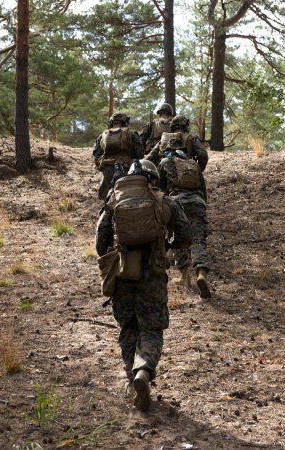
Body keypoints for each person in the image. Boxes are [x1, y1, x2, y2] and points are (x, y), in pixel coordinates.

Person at [96, 159, 191, 412]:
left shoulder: (114, 200)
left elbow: (99, 240)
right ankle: (144, 370)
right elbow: (186, 234)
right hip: (154, 274)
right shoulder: (163, 200)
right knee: (151, 328)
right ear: (154, 178)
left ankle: (131, 380)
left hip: (124, 272)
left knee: (128, 327)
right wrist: (166, 244)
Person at [156, 138, 211, 299]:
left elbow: (160, 189)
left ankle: (184, 276)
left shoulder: (165, 162)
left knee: (178, 238)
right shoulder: (193, 164)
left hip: (177, 204)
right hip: (197, 203)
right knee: (198, 240)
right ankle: (201, 273)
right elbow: (203, 189)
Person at [92, 112, 143, 200]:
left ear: (111, 122)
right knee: (124, 196)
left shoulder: (103, 135)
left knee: (106, 198)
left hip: (108, 169)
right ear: (125, 121)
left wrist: (101, 165)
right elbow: (139, 154)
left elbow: (96, 154)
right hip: (125, 167)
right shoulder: (131, 134)